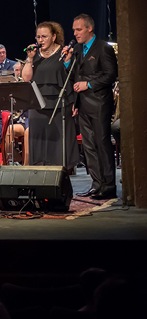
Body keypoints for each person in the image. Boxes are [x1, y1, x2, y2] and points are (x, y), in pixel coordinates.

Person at [63, 13, 118, 200]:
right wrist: (68, 62)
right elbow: (74, 77)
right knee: (88, 147)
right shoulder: (77, 49)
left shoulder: (103, 48)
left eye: (79, 29)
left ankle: (109, 185)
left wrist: (89, 84)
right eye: (74, 30)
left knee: (102, 143)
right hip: (83, 104)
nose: (75, 33)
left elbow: (111, 75)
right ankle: (97, 184)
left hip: (99, 102)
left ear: (89, 28)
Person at [21, 21, 77, 170]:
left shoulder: (63, 52)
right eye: (38, 37)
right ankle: (40, 176)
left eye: (44, 36)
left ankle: (59, 177)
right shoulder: (35, 55)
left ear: (53, 37)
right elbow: (26, 78)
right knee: (38, 144)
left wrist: (67, 61)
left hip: (58, 104)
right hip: (37, 104)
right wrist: (30, 58)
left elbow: (71, 76)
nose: (40, 40)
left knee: (58, 145)